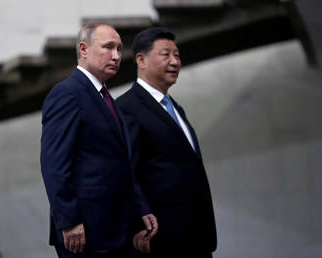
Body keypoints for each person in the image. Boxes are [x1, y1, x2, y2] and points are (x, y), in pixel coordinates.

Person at [40, 23, 157, 258]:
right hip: (84, 232)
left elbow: (120, 163)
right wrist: (69, 221)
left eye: (119, 49)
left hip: (116, 229)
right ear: (83, 49)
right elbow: (54, 164)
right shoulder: (67, 93)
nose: (116, 56)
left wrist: (139, 210)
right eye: (108, 47)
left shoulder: (105, 98)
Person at [116, 27, 217, 258]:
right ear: (141, 59)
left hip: (195, 235)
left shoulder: (175, 108)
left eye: (177, 55)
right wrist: (137, 224)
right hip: (160, 238)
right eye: (166, 55)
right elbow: (124, 173)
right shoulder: (126, 109)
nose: (175, 62)